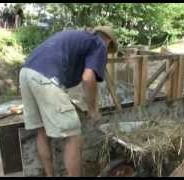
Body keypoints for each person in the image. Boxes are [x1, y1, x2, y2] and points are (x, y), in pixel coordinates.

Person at [19, 26, 118, 176]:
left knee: (41, 131)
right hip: (46, 78)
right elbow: (88, 78)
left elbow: (70, 72)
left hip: (26, 72)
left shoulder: (79, 38)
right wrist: (92, 110)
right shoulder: (99, 44)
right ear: (109, 40)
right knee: (74, 137)